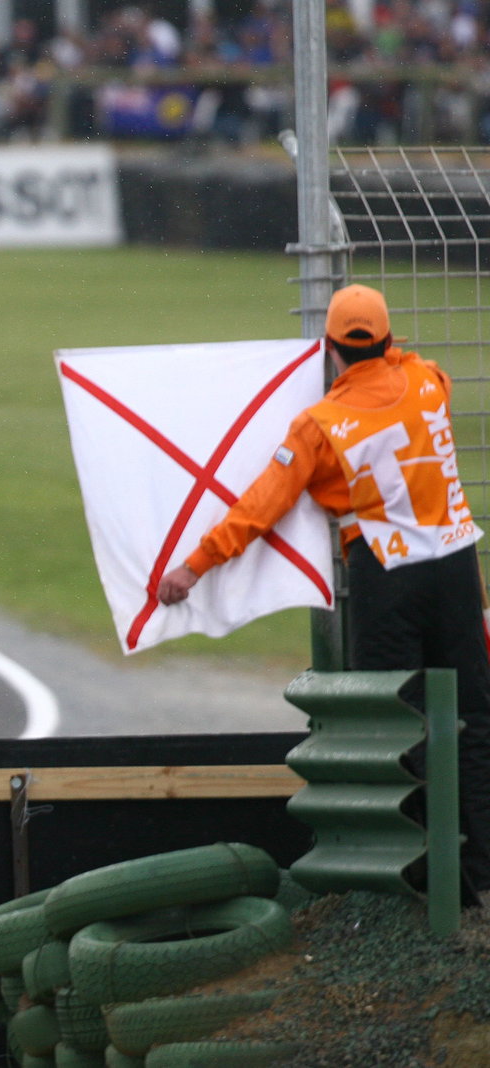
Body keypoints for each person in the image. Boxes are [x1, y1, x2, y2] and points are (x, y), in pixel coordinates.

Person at [156, 284, 490, 902]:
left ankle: (420, 880)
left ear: (330, 348)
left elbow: (263, 505)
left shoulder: (320, 425)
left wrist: (196, 565)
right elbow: (411, 386)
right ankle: (482, 875)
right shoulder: (430, 381)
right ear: (391, 340)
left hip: (387, 573)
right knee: (473, 719)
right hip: (455, 563)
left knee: (396, 726)